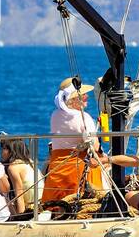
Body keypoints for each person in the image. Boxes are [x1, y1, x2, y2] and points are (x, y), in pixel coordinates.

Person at [42, 77, 103, 206]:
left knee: (55, 205)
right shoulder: (84, 117)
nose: (86, 96)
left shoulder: (55, 115)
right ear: (73, 98)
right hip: (78, 168)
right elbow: (95, 147)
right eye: (83, 94)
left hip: (57, 166)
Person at [0, 136, 40, 219]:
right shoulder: (30, 162)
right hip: (40, 206)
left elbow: (19, 195)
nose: (1, 152)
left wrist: (21, 219)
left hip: (31, 210)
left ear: (11, 151)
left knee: (3, 195)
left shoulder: (13, 167)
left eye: (3, 148)